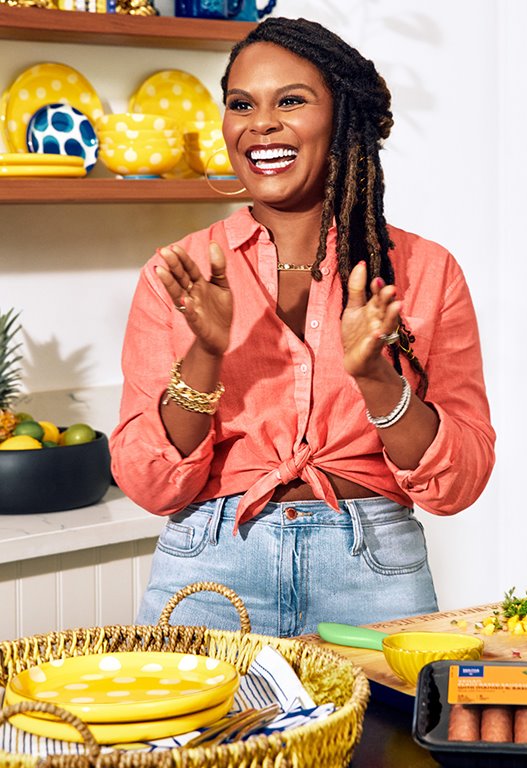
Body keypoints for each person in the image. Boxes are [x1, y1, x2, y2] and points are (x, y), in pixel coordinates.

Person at [109, 17, 495, 637]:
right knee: (192, 736)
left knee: (383, 738)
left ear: (342, 118)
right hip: (210, 566)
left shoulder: (424, 271)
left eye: (291, 100)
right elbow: (148, 482)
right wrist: (207, 354)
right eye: (241, 104)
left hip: (372, 572)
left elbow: (461, 481)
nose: (260, 123)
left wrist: (375, 379)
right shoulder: (179, 272)